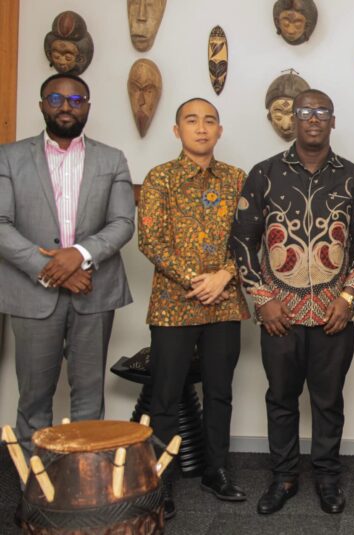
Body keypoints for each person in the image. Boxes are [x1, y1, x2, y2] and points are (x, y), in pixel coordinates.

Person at [230, 89, 354, 516]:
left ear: (333, 120)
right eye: (305, 112)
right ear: (294, 119)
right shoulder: (264, 174)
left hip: (335, 314)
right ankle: (284, 477)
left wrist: (349, 298)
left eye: (322, 112)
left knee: (329, 401)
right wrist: (262, 300)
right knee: (281, 398)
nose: (313, 119)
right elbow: (242, 241)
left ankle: (328, 478)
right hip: (281, 316)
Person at [0, 73, 134, 453]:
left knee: (89, 401)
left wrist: (80, 255)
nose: (65, 106)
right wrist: (53, 271)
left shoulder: (112, 158)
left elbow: (123, 222)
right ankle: (35, 491)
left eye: (76, 101)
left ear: (88, 106)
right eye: (55, 98)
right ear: (41, 104)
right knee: (33, 401)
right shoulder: (8, 157)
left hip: (95, 292)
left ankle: (84, 493)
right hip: (30, 294)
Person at [138, 98, 251, 519]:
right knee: (166, 397)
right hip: (173, 305)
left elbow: (252, 239)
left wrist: (224, 275)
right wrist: (195, 279)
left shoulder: (238, 179)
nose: (201, 128)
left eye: (209, 121)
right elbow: (150, 241)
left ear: (220, 131)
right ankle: (158, 480)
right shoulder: (160, 178)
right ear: (176, 130)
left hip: (224, 304)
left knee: (220, 392)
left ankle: (216, 470)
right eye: (191, 120)